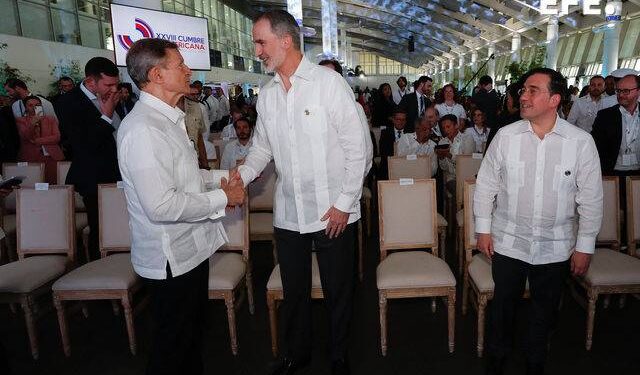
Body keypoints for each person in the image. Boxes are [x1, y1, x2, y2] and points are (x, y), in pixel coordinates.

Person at [237, 10, 368, 375]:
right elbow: (262, 148)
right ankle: (298, 353)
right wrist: (242, 176)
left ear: (285, 40)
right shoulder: (267, 95)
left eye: (260, 42)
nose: (257, 50)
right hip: (289, 212)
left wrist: (345, 203)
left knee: (337, 291)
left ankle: (339, 355)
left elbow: (357, 149)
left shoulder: (329, 84)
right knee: (294, 292)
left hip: (334, 211)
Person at [119, 38, 245, 375]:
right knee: (172, 348)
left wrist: (223, 177)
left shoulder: (168, 119)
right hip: (169, 258)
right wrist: (224, 197)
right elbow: (161, 205)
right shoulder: (143, 129)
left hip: (189, 251)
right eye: (180, 65)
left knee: (189, 341)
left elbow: (186, 177)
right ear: (157, 74)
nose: (189, 70)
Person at [474, 68, 603, 375]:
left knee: (544, 312)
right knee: (503, 309)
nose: (523, 95)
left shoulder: (580, 142)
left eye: (533, 90)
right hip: (508, 241)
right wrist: (482, 229)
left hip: (556, 246)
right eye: (523, 91)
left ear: (554, 99)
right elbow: (486, 186)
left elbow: (592, 199)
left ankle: (535, 361)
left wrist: (584, 246)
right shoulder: (506, 136)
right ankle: (497, 358)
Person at [55, 56, 121, 261]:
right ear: (91, 81)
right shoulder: (68, 102)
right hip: (93, 177)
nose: (113, 89)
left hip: (118, 171)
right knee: (100, 228)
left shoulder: (112, 96)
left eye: (115, 84)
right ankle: (97, 269)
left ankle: (122, 266)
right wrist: (106, 116)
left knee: (119, 224)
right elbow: (85, 144)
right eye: (108, 84)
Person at [591, 74, 640, 214]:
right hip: (612, 175)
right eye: (619, 91)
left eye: (626, 91)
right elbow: (596, 148)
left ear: (638, 91)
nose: (621, 95)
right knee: (614, 216)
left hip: (638, 175)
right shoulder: (605, 116)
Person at [15, 96, 64, 184]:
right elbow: (25, 137)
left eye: (37, 105)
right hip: (31, 157)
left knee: (53, 183)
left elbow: (56, 137)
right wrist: (32, 124)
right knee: (34, 184)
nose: (34, 108)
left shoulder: (50, 119)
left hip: (51, 156)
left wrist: (37, 141)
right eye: (30, 105)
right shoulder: (20, 121)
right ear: (26, 108)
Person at [436, 114, 475, 194]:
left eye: (448, 127)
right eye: (443, 128)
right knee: (452, 184)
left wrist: (448, 155)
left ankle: (463, 203)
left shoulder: (467, 138)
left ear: (456, 125)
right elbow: (444, 168)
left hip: (467, 175)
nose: (446, 130)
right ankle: (463, 203)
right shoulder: (442, 142)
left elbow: (466, 162)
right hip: (451, 177)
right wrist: (441, 157)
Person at [180, 86, 210, 169]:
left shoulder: (196, 107)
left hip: (194, 160)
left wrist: (205, 165)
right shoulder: (164, 108)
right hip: (176, 163)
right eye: (193, 94)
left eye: (197, 94)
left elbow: (199, 137)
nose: (196, 96)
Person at [486, 83, 521, 151]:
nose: (507, 102)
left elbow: (490, 146)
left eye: (508, 98)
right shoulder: (532, 120)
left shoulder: (502, 121)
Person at [379, 109, 407, 179]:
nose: (401, 122)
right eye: (398, 119)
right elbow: (383, 152)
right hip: (389, 164)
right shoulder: (385, 133)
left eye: (403, 120)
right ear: (393, 120)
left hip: (406, 164)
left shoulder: (410, 133)